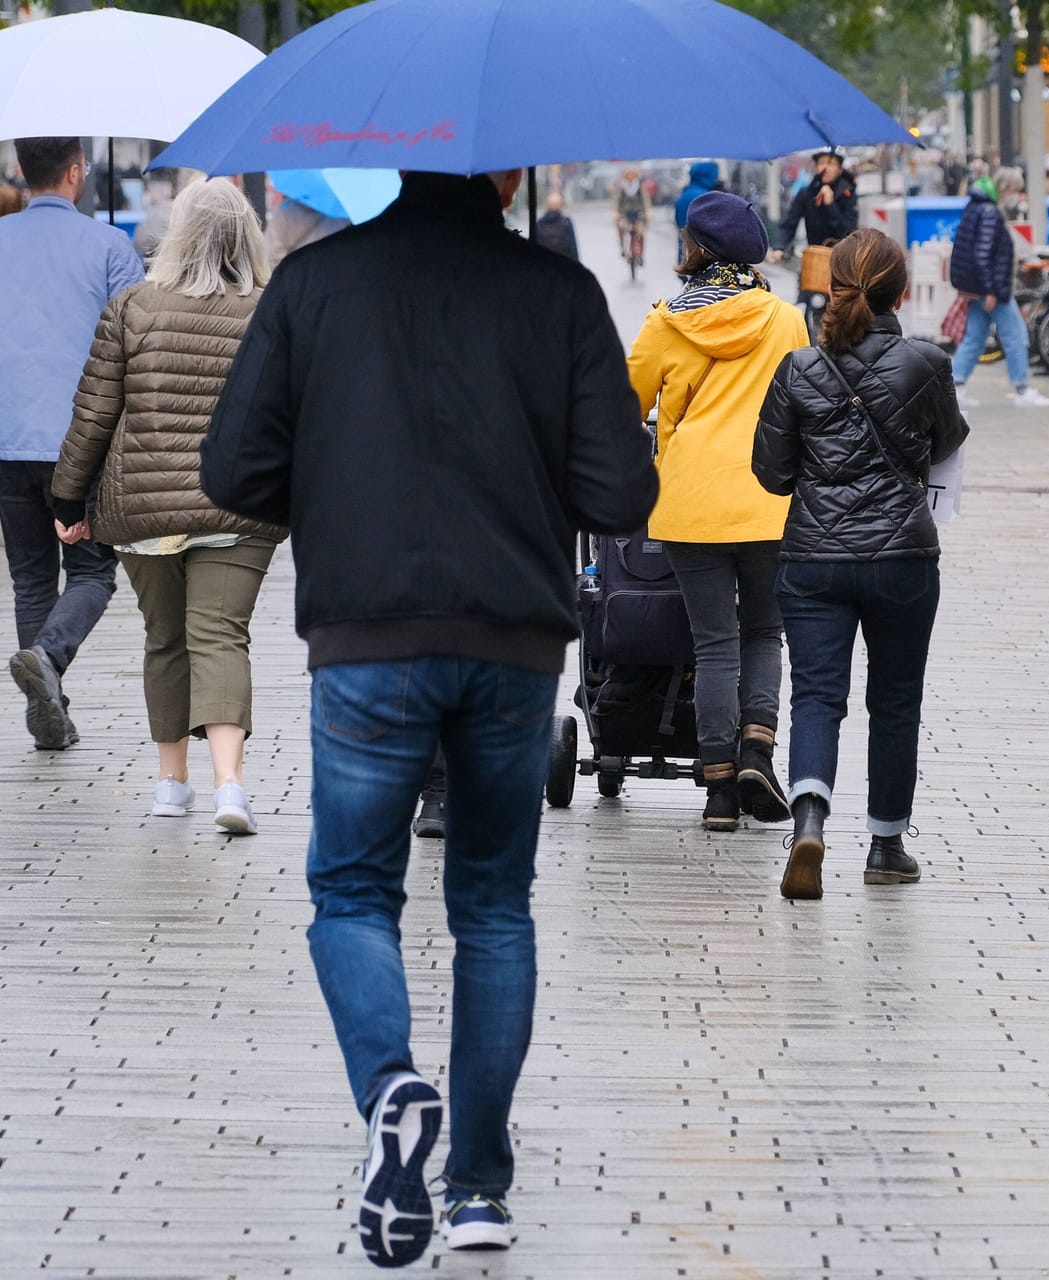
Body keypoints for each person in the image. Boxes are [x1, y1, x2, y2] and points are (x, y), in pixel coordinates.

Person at [199, 170, 657, 1267]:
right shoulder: (559, 294)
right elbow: (620, 498)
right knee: (493, 907)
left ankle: (391, 1085)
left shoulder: (313, 285)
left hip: (365, 634)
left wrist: (337, 476)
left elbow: (232, 469)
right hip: (512, 642)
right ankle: (481, 1190)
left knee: (352, 887)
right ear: (508, 176)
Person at [49, 179, 284, 834]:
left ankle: (171, 784)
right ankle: (230, 786)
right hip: (240, 508)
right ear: (248, 236)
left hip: (146, 506)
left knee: (166, 639)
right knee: (220, 634)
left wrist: (69, 495)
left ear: (176, 236)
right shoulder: (272, 312)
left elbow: (95, 414)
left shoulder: (132, 307)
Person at [752, 229, 969, 900]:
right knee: (895, 702)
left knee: (817, 697)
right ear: (901, 292)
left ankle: (810, 817)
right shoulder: (926, 363)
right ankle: (885, 843)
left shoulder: (797, 369)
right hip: (903, 557)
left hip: (813, 559)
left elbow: (771, 473)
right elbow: (948, 442)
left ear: (832, 286)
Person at [627, 191, 808, 831]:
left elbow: (623, 404)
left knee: (714, 646)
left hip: (691, 506)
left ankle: (719, 794)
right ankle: (758, 747)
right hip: (770, 502)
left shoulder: (665, 322)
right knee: (764, 633)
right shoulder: (786, 321)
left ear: (698, 250)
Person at [0, 137, 145, 751]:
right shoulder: (110, 245)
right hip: (82, 439)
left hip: (8, 439)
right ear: (77, 171)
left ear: (21, 172)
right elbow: (136, 343)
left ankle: (50, 708)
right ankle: (50, 663)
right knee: (92, 571)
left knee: (31, 580)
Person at [948, 177, 1049, 409]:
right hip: (991, 288)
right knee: (1015, 335)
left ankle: (955, 386)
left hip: (977, 288)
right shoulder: (990, 213)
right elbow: (984, 255)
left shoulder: (975, 208)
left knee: (974, 337)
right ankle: (1022, 388)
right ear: (1004, 189)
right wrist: (992, 290)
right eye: (1015, 190)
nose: (1017, 196)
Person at [768, 148, 858, 265]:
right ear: (816, 167)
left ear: (840, 169)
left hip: (842, 260)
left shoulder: (848, 194)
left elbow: (848, 231)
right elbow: (790, 223)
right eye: (822, 163)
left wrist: (830, 205)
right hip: (815, 259)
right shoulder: (806, 194)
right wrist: (780, 247)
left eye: (831, 163)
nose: (826, 168)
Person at [534, 191, 580, 261]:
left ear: (547, 206)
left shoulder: (539, 224)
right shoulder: (566, 223)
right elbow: (573, 249)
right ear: (561, 206)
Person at [613, 168, 646, 262]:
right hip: (625, 213)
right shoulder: (622, 187)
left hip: (638, 213)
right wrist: (616, 211)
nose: (630, 177)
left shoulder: (639, 186)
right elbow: (617, 200)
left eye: (632, 175)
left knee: (641, 232)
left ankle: (641, 254)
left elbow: (645, 199)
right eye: (628, 175)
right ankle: (623, 247)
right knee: (621, 227)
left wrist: (647, 210)